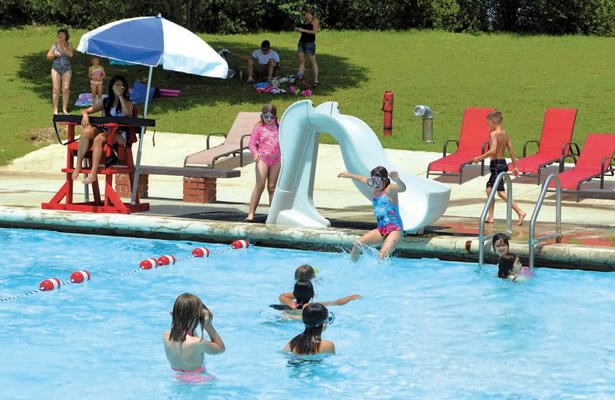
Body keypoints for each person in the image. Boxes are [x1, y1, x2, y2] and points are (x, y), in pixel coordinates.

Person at [72, 75, 133, 184]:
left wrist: (120, 96)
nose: (119, 87)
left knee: (98, 139)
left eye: (121, 86)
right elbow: (87, 110)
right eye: (116, 85)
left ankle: (93, 173)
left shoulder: (127, 102)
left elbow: (128, 113)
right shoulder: (105, 101)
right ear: (111, 87)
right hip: (105, 129)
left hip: (119, 133)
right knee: (86, 132)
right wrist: (85, 114)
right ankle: (78, 165)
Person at [338, 166, 407, 262]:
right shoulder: (375, 186)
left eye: (377, 181)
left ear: (384, 180)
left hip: (395, 230)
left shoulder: (389, 189)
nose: (375, 184)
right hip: (382, 230)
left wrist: (398, 180)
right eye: (373, 181)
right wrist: (349, 175)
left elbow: (402, 188)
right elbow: (363, 179)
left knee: (381, 258)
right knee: (357, 244)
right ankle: (352, 268)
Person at [473, 111, 527, 226]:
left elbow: (493, 151)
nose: (489, 127)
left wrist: (479, 158)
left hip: (496, 165)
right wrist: (515, 166)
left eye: (489, 124)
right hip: (501, 163)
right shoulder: (504, 133)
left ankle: (520, 212)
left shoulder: (494, 134)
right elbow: (512, 150)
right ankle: (491, 216)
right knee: (489, 189)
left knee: (501, 192)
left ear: (494, 122)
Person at [163, 293, 225, 373]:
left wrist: (177, 315)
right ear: (196, 317)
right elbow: (221, 348)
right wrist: (207, 324)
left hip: (178, 378)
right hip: (198, 380)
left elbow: (186, 331)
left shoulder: (166, 336)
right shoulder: (198, 343)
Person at [246, 104, 281, 222]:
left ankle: (273, 214)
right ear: (262, 116)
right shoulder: (259, 128)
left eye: (272, 116)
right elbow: (251, 144)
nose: (269, 119)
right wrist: (255, 153)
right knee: (260, 185)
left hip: (276, 159)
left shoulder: (280, 126)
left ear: (275, 116)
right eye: (266, 116)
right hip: (263, 159)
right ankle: (251, 213)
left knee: (272, 187)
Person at [279, 279, 361, 312]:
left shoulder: (289, 303)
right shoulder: (311, 306)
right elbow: (335, 303)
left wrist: (297, 294)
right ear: (312, 294)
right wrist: (350, 297)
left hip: (289, 316)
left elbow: (283, 295)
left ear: (294, 293)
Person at [46, 28, 73, 115]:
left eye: (62, 34)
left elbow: (71, 54)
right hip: (56, 68)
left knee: (65, 88)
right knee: (56, 89)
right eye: (59, 34)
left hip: (66, 68)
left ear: (66, 36)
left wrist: (63, 47)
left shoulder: (69, 45)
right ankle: (55, 110)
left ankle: (65, 109)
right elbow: (48, 56)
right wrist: (54, 54)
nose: (60, 36)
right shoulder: (54, 45)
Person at [294, 5, 319, 85]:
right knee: (301, 62)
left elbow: (314, 31)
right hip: (301, 43)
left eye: (304, 14)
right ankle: (299, 78)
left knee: (312, 62)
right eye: (302, 14)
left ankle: (316, 80)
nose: (303, 16)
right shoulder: (304, 20)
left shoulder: (314, 20)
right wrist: (298, 30)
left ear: (308, 12)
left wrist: (303, 30)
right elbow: (304, 31)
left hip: (310, 44)